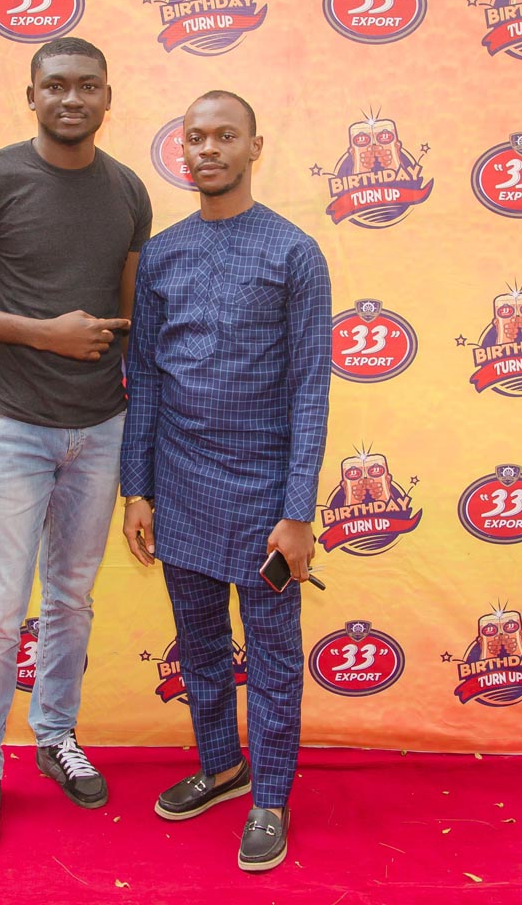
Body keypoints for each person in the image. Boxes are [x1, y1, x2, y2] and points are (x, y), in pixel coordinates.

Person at [0, 37, 152, 857]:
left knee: (72, 599)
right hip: (11, 424)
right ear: (32, 95)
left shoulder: (126, 190)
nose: (71, 99)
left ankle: (54, 734)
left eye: (87, 86)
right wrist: (42, 334)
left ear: (107, 96)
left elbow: (131, 314)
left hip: (100, 425)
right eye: (55, 86)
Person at [119, 90, 331, 872]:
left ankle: (269, 797)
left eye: (224, 136)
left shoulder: (293, 253)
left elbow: (309, 388)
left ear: (254, 147)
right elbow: (144, 379)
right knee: (201, 646)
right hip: (178, 489)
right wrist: (136, 490)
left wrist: (296, 512)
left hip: (264, 497)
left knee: (271, 656)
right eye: (194, 137)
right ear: (181, 149)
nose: (207, 149)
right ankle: (220, 769)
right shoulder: (161, 255)